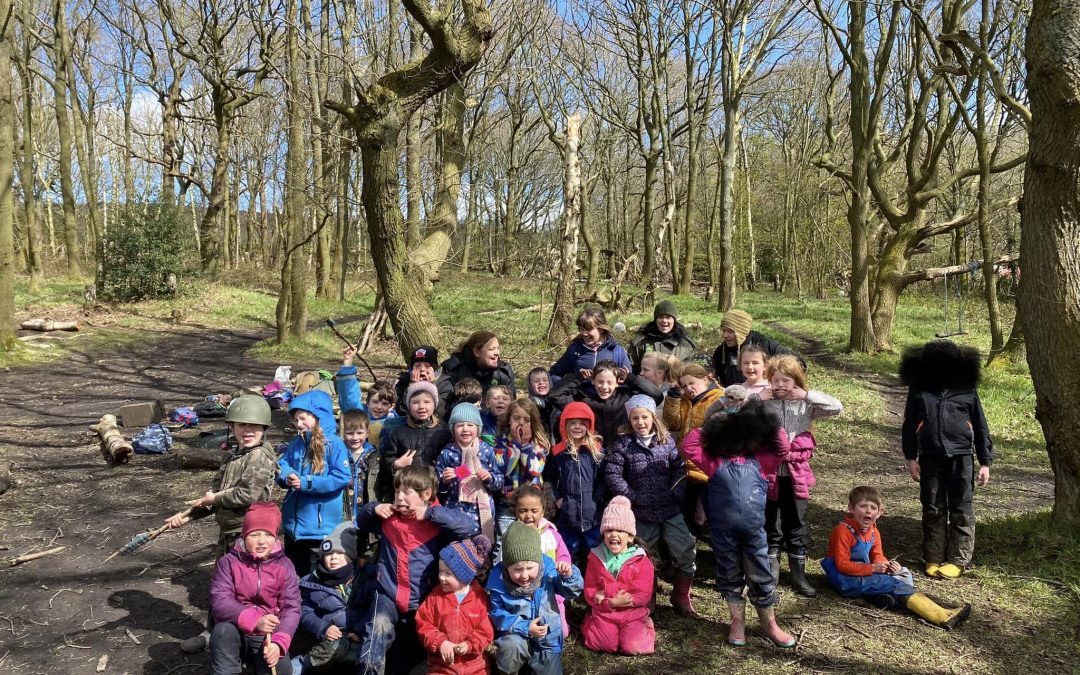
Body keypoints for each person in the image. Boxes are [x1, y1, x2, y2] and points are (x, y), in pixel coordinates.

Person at [168, 394, 280, 654]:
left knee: (249, 589)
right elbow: (215, 496)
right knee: (222, 586)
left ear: (263, 427)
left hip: (251, 537)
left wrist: (214, 498)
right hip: (228, 533)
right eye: (241, 425)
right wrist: (187, 516)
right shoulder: (231, 457)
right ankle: (215, 633)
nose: (247, 431)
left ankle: (251, 641)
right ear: (232, 427)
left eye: (253, 426)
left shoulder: (260, 456)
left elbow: (247, 494)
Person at [681, 401, 797, 649]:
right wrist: (716, 422)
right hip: (723, 534)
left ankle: (769, 623)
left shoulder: (761, 461)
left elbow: (782, 446)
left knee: (761, 573)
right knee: (729, 572)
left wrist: (762, 420)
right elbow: (689, 445)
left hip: (754, 533)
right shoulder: (713, 462)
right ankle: (737, 621)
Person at [350, 465, 478, 675]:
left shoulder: (437, 522)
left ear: (426, 494)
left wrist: (430, 513)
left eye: (406, 492)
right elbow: (362, 521)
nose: (399, 497)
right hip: (388, 593)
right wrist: (374, 508)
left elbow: (468, 526)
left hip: (422, 599)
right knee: (378, 627)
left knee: (412, 654)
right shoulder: (388, 519)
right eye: (397, 491)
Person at [899, 340, 993, 579]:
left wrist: (985, 462)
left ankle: (958, 560)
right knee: (932, 507)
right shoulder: (919, 389)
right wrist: (911, 457)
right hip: (929, 457)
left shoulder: (967, 389)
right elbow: (909, 424)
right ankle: (933, 556)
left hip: (962, 457)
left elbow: (981, 426)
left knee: (962, 507)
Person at [822, 486, 971, 628]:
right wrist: (873, 568)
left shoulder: (873, 532)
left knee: (904, 574)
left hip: (863, 574)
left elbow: (878, 555)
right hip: (845, 579)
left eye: (873, 508)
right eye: (863, 506)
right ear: (851, 509)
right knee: (892, 583)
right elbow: (841, 565)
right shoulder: (843, 531)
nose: (868, 511)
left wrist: (887, 566)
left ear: (879, 513)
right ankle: (942, 616)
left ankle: (881, 598)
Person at [605, 395, 697, 617]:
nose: (640, 422)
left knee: (684, 548)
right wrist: (633, 497)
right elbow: (613, 474)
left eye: (644, 417)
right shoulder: (624, 444)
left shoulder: (666, 441)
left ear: (653, 417)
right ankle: (648, 597)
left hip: (669, 507)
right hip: (642, 510)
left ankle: (681, 596)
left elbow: (679, 469)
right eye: (635, 418)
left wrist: (675, 493)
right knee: (646, 554)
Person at [759, 355, 843, 597]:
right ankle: (771, 571)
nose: (780, 385)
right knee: (771, 521)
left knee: (796, 521)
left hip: (796, 473)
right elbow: (737, 412)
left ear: (796, 381)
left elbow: (836, 407)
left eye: (786, 380)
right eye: (776, 380)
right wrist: (757, 398)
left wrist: (807, 395)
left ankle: (798, 574)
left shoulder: (806, 404)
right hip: (769, 472)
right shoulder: (765, 403)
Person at [208, 502, 300, 675]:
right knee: (222, 631)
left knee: (283, 670)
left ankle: (256, 662)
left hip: (268, 635)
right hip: (236, 629)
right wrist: (255, 620)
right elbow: (220, 601)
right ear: (244, 536)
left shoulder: (284, 565)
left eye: (268, 535)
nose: (261, 541)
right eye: (254, 534)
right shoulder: (228, 562)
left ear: (275, 537)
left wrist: (278, 643)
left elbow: (291, 608)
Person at [486, 522, 583, 675]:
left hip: (547, 637)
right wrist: (525, 627)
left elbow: (572, 592)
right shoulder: (498, 581)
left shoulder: (548, 569)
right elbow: (497, 614)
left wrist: (569, 576)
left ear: (538, 561)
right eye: (517, 569)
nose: (524, 575)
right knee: (511, 647)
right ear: (506, 566)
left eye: (530, 568)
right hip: (516, 633)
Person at [277, 391, 351, 577]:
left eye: (303, 418)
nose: (299, 424)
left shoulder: (334, 444)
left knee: (314, 575)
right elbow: (282, 464)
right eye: (296, 420)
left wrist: (306, 483)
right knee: (293, 575)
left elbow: (342, 477)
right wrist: (287, 476)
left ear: (318, 416)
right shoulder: (297, 443)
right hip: (293, 527)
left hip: (318, 529)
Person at [581, 496, 656, 655]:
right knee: (602, 645)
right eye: (609, 530)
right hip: (604, 612)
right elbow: (590, 590)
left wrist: (608, 594)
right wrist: (611, 602)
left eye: (620, 531)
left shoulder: (641, 560)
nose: (614, 534)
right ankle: (590, 621)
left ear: (630, 537)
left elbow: (643, 594)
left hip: (632, 613)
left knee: (634, 647)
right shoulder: (595, 557)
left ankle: (646, 625)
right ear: (603, 534)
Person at [415, 535, 495, 675]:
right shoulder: (435, 597)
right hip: (442, 667)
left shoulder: (480, 599)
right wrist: (441, 643)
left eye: (448, 573)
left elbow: (485, 632)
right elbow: (424, 625)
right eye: (440, 571)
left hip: (475, 667)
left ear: (465, 577)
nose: (441, 577)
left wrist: (469, 645)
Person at [663, 361, 726, 540]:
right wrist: (673, 397)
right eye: (684, 385)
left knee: (714, 511)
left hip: (707, 465)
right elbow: (672, 424)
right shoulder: (684, 400)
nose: (689, 388)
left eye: (692, 383)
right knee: (685, 510)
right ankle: (687, 545)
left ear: (706, 379)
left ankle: (720, 546)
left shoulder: (719, 398)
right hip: (685, 466)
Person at [549, 360, 663, 448]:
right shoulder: (584, 401)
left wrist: (631, 379)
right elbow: (555, 396)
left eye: (609, 382)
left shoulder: (628, 398)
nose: (604, 387)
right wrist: (578, 378)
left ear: (617, 382)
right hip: (593, 455)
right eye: (600, 381)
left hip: (622, 454)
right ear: (593, 381)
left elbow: (656, 396)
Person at [294, 523, 362, 672]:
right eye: (329, 554)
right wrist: (324, 628)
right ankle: (299, 667)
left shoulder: (363, 578)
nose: (333, 558)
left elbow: (372, 609)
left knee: (361, 658)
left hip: (361, 638)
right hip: (333, 637)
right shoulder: (313, 582)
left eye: (339, 553)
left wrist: (360, 630)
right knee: (331, 650)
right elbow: (305, 613)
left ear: (351, 556)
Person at [545, 402, 605, 564]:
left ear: (589, 425)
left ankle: (592, 580)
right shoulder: (558, 452)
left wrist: (598, 499)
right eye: (573, 423)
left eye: (582, 423)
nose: (577, 427)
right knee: (568, 555)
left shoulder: (597, 451)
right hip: (567, 515)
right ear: (565, 425)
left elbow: (604, 478)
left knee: (595, 554)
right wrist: (557, 499)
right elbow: (548, 478)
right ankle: (570, 580)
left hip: (593, 515)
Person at [508, 484, 572, 637]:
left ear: (543, 511)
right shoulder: (511, 536)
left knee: (561, 633)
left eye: (534, 511)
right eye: (523, 511)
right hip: (522, 593)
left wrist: (564, 564)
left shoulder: (551, 535)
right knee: (526, 631)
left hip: (550, 592)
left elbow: (564, 555)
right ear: (515, 511)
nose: (528, 515)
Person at [437, 403, 504, 540]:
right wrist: (444, 481)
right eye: (460, 425)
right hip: (456, 511)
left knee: (482, 546)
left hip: (482, 511)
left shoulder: (486, 450)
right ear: (453, 429)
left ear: (478, 428)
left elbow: (500, 480)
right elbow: (436, 486)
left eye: (470, 425)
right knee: (456, 548)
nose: (465, 429)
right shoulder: (447, 453)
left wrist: (489, 477)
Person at [377, 381, 452, 502]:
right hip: (407, 493)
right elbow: (386, 459)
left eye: (427, 402)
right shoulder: (399, 432)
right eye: (416, 402)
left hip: (437, 493)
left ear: (434, 405)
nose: (421, 406)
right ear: (409, 405)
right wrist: (396, 464)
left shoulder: (444, 432)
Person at [493, 400, 550, 556]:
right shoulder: (501, 443)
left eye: (526, 420)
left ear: (533, 422)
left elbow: (534, 471)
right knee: (504, 543)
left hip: (531, 504)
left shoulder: (539, 444)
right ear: (509, 420)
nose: (521, 423)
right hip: (507, 503)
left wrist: (525, 445)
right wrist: (515, 445)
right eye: (516, 418)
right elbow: (504, 469)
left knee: (533, 542)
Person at [711, 309, 800, 387]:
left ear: (742, 331)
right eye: (724, 331)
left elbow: (799, 363)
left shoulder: (764, 344)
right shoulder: (721, 352)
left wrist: (776, 378)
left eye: (730, 331)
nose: (725, 335)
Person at [549, 306, 632, 384]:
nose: (584, 334)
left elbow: (628, 380)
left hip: (609, 394)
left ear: (601, 329)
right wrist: (568, 385)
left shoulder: (616, 351)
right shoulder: (575, 349)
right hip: (579, 394)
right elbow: (553, 374)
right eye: (581, 329)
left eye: (588, 329)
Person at [442, 331, 516, 404]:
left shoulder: (503, 372)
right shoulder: (455, 370)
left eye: (498, 348)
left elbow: (512, 404)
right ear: (476, 352)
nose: (497, 353)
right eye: (491, 349)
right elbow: (445, 405)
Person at [628, 299, 697, 372]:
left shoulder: (686, 345)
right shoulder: (640, 343)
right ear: (655, 320)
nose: (664, 321)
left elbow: (693, 372)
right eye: (660, 317)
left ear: (674, 320)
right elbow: (630, 369)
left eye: (668, 317)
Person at [337, 346, 399, 423]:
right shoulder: (359, 415)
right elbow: (349, 397)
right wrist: (348, 362)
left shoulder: (396, 422)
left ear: (392, 406)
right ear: (367, 402)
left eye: (385, 404)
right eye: (375, 402)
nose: (379, 407)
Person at [392, 345, 455, 419]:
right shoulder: (403, 382)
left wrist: (432, 386)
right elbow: (401, 411)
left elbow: (442, 413)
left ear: (434, 370)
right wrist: (411, 386)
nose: (422, 369)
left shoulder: (445, 384)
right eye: (417, 366)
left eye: (427, 366)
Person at [341, 410, 377, 523]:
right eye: (350, 433)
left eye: (360, 433)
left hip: (366, 513)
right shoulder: (339, 454)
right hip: (343, 514)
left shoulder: (374, 456)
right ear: (343, 432)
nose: (355, 437)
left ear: (367, 432)